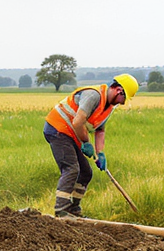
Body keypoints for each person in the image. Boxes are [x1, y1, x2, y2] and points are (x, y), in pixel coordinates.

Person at [43, 74, 139, 218]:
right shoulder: (93, 95)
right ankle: (61, 211)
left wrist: (100, 153)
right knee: (71, 168)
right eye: (124, 99)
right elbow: (77, 122)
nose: (123, 103)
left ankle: (73, 210)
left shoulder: (109, 106)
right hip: (58, 129)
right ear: (119, 90)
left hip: (72, 135)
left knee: (86, 172)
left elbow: (100, 130)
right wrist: (86, 143)